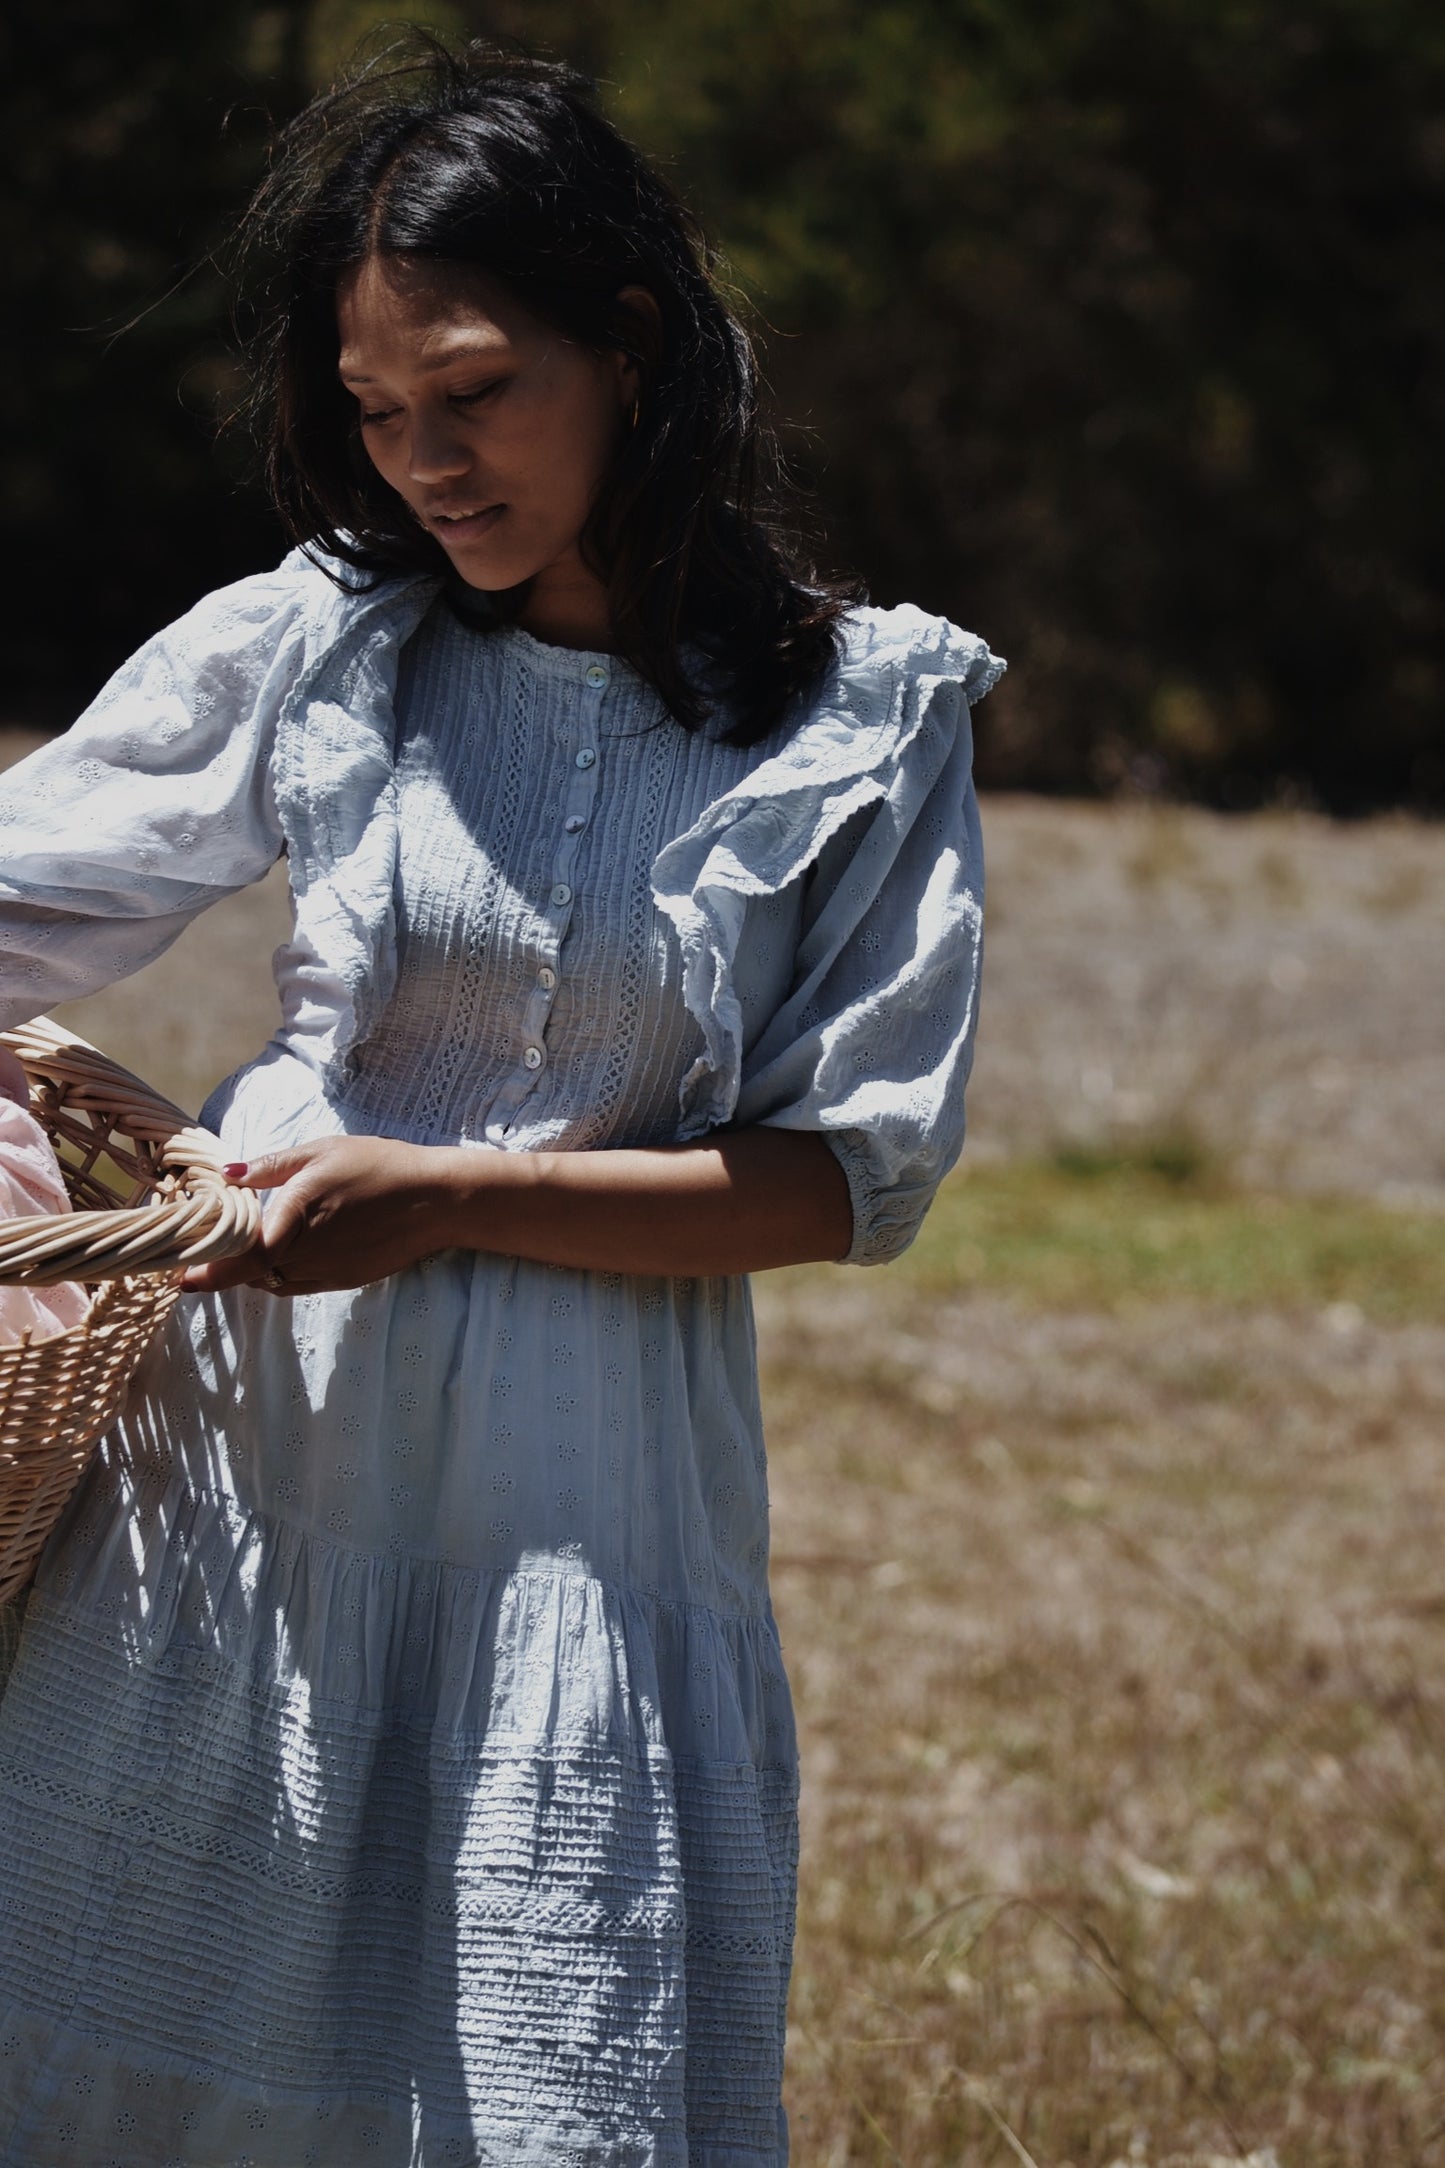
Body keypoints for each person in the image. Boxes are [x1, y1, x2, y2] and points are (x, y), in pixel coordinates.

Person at [0, 37, 1002, 2167]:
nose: (425, 458)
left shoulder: (859, 710)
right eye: (375, 411)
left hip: (586, 1487)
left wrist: (447, 1191)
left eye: (475, 390)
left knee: (548, 2080)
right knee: (135, 2032)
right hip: (257, 1439)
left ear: (631, 344)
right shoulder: (335, 641)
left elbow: (845, 1178)